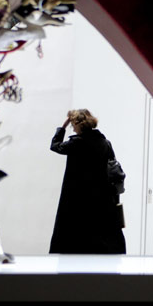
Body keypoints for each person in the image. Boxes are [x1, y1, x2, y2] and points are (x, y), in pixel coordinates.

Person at [49, 109, 126, 254]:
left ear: (78, 125)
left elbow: (55, 146)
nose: (73, 129)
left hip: (79, 198)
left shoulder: (76, 143)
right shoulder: (105, 143)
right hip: (102, 199)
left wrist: (62, 127)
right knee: (100, 238)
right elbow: (113, 170)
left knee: (77, 238)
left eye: (73, 125)